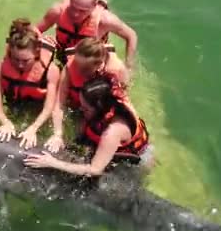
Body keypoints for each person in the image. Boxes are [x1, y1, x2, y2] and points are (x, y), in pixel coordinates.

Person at [24, 73, 152, 176]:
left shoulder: (113, 131)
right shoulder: (109, 96)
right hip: (104, 139)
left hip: (132, 160)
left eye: (85, 109)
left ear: (100, 108)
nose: (81, 110)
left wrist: (53, 163)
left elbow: (95, 170)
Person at [44, 37, 129, 153]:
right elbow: (59, 104)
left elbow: (122, 107)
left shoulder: (113, 73)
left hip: (97, 112)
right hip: (79, 108)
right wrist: (57, 134)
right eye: (77, 64)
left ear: (99, 64)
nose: (78, 71)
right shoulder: (70, 68)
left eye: (85, 69)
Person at [35, 0, 138, 71]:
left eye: (82, 11)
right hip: (63, 53)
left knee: (115, 68)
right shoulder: (57, 11)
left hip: (91, 60)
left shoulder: (105, 20)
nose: (76, 14)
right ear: (70, 0)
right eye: (73, 8)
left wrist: (128, 65)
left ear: (94, 5)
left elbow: (131, 35)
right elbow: (36, 30)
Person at [0, 18, 60, 149]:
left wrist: (34, 128)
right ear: (10, 51)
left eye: (26, 60)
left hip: (39, 106)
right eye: (16, 59)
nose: (20, 65)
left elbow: (50, 107)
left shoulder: (51, 71)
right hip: (15, 103)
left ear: (37, 52)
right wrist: (5, 122)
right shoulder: (0, 67)